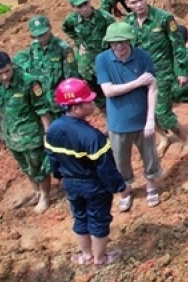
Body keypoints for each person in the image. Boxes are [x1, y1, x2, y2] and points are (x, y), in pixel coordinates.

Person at [44, 77, 128, 267]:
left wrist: (59, 176)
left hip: (71, 183)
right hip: (93, 185)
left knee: (80, 216)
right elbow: (105, 168)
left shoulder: (53, 130)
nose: (92, 103)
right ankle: (100, 259)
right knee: (99, 219)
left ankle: (86, 255)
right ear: (76, 108)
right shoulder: (93, 137)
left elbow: (52, 158)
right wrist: (120, 187)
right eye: (88, 101)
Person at [122, 0, 188, 156]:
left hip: (161, 72)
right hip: (138, 74)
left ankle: (186, 140)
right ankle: (163, 138)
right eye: (133, 2)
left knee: (162, 111)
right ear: (127, 4)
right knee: (145, 110)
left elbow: (178, 46)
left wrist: (181, 71)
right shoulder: (127, 24)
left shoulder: (164, 18)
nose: (139, 4)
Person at [95, 21, 160, 210]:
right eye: (115, 43)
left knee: (149, 155)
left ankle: (151, 185)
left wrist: (150, 119)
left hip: (141, 119)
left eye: (123, 41)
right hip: (118, 122)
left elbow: (152, 87)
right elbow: (108, 91)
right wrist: (137, 82)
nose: (119, 46)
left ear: (129, 40)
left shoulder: (142, 57)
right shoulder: (102, 60)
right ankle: (126, 189)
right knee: (120, 159)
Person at [0, 51, 53, 213]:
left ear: (11, 65)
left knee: (38, 166)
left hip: (31, 135)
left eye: (6, 71)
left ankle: (45, 195)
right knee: (25, 167)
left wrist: (49, 135)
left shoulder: (29, 82)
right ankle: (36, 191)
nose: (3, 76)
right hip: (11, 135)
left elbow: (43, 110)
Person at [63, 0, 114, 100]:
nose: (84, 8)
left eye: (85, 4)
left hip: (104, 56)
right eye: (79, 6)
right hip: (87, 60)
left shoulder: (104, 17)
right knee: (92, 85)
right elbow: (67, 28)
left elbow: (114, 34)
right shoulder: (72, 19)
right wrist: (78, 42)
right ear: (73, 8)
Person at [15, 14, 78, 102]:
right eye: (39, 35)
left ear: (50, 28)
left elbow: (71, 77)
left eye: (44, 33)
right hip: (42, 99)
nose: (43, 37)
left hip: (59, 98)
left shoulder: (63, 48)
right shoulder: (34, 47)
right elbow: (22, 61)